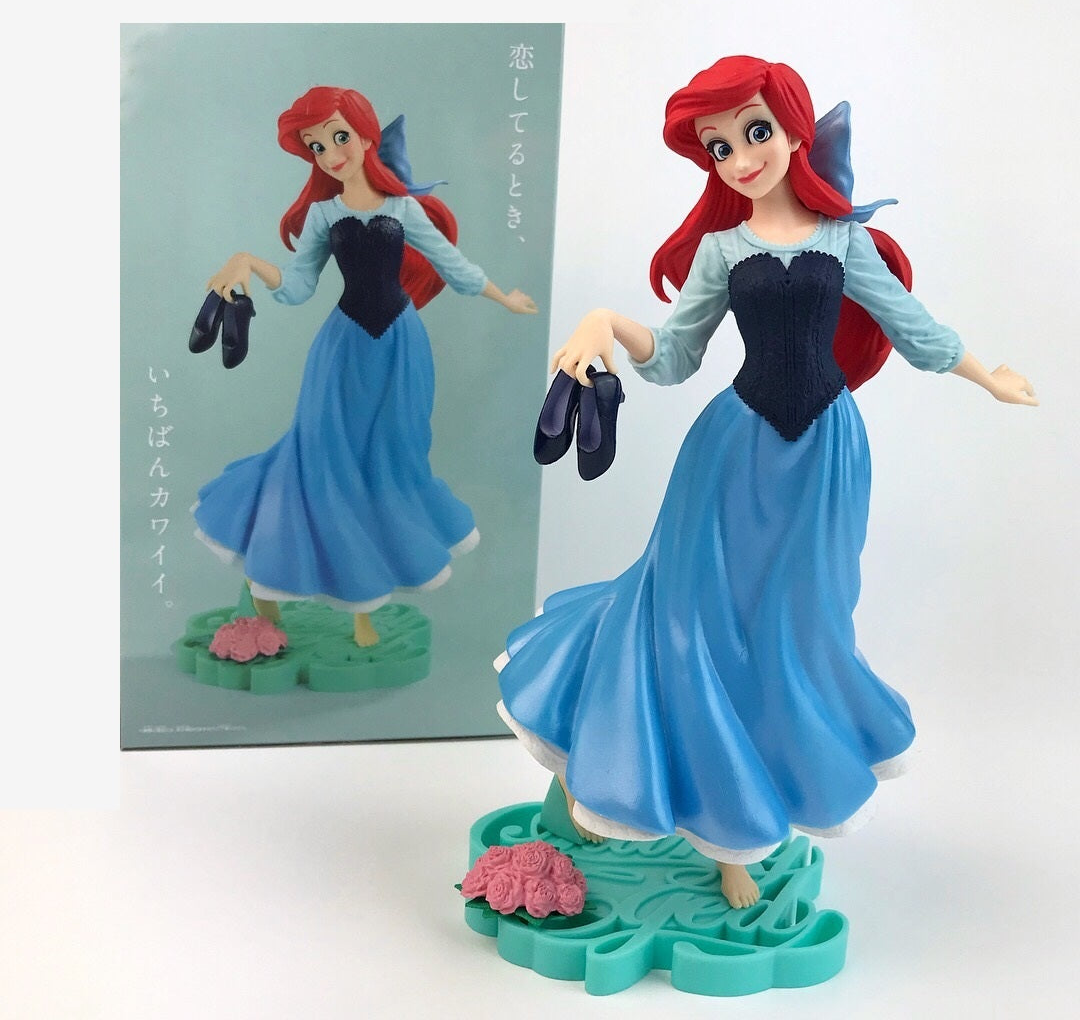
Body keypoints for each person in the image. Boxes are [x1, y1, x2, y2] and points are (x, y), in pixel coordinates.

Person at [495, 56, 1036, 908]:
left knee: (800, 627)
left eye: (754, 133)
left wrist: (986, 374)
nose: (741, 158)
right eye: (719, 147)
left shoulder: (844, 241)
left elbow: (913, 326)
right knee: (690, 618)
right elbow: (675, 357)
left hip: (822, 458)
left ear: (793, 130)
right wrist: (606, 322)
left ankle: (758, 799)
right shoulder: (722, 250)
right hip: (732, 456)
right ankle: (723, 834)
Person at [195, 86, 536, 647]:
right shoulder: (324, 215)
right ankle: (302, 588)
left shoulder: (403, 209)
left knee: (392, 459)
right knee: (321, 455)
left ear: (365, 135)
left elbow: (452, 265)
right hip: (342, 349)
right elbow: (298, 286)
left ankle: (364, 606)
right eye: (317, 146)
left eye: (339, 137)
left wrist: (504, 297)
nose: (331, 154)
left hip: (400, 348)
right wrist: (248, 261)